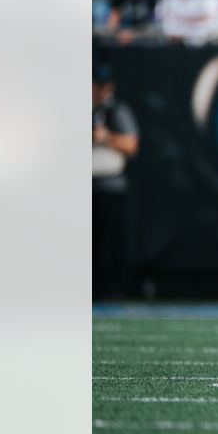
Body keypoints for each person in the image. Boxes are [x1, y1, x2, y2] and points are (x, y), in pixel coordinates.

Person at [93, 66, 140, 301]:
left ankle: (118, 289)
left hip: (111, 185)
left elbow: (132, 146)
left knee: (113, 241)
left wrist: (106, 137)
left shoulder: (117, 111)